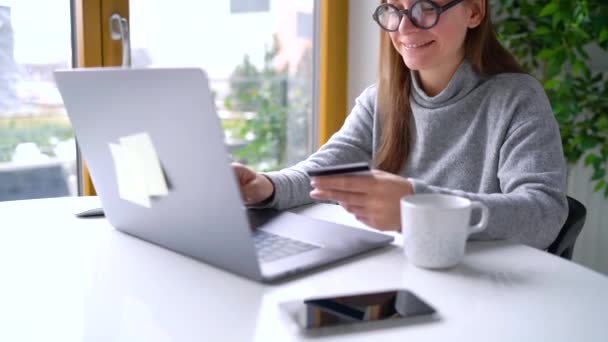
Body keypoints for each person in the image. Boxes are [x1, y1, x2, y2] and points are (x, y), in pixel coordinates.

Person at [232, 0, 567, 250]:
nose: (405, 27)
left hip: (479, 293)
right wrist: (266, 186)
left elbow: (544, 213)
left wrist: (416, 204)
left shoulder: (517, 98)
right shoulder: (380, 99)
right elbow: (326, 172)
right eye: (394, 9)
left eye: (425, 8)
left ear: (474, 11)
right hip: (397, 280)